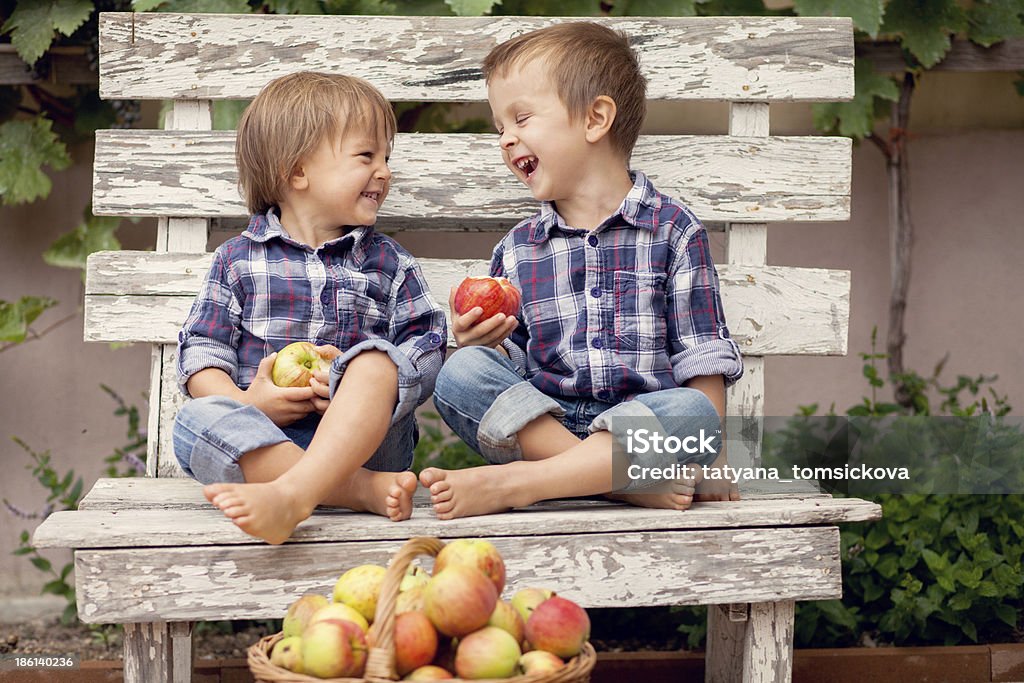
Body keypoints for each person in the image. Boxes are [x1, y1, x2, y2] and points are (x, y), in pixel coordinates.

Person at [420, 22, 743, 519]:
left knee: (696, 414)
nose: (506, 139)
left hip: (641, 427)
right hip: (548, 420)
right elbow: (511, 368)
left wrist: (715, 459)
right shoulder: (518, 250)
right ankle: (612, 483)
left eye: (521, 118)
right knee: (459, 371)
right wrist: (479, 343)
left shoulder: (673, 231)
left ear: (595, 119)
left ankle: (525, 482)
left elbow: (702, 358)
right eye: (499, 128)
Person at [172, 72, 447, 544]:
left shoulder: (386, 262)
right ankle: (357, 492)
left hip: (368, 445)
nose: (384, 171)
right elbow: (202, 348)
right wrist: (247, 403)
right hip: (266, 440)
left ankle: (304, 491)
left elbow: (427, 343)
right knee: (193, 422)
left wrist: (361, 380)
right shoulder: (239, 259)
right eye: (367, 156)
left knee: (377, 360)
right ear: (297, 171)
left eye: (386, 157)